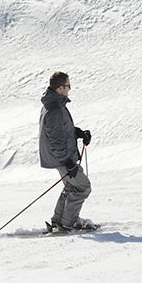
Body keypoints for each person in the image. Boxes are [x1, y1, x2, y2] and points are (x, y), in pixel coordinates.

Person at [39, 72, 96, 231]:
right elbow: (56, 139)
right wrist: (68, 162)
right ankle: (69, 222)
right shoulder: (55, 108)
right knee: (83, 187)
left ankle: (58, 220)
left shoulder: (54, 104)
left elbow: (61, 130)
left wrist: (77, 133)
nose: (70, 89)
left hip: (62, 157)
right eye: (68, 86)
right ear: (60, 87)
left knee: (72, 187)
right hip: (62, 158)